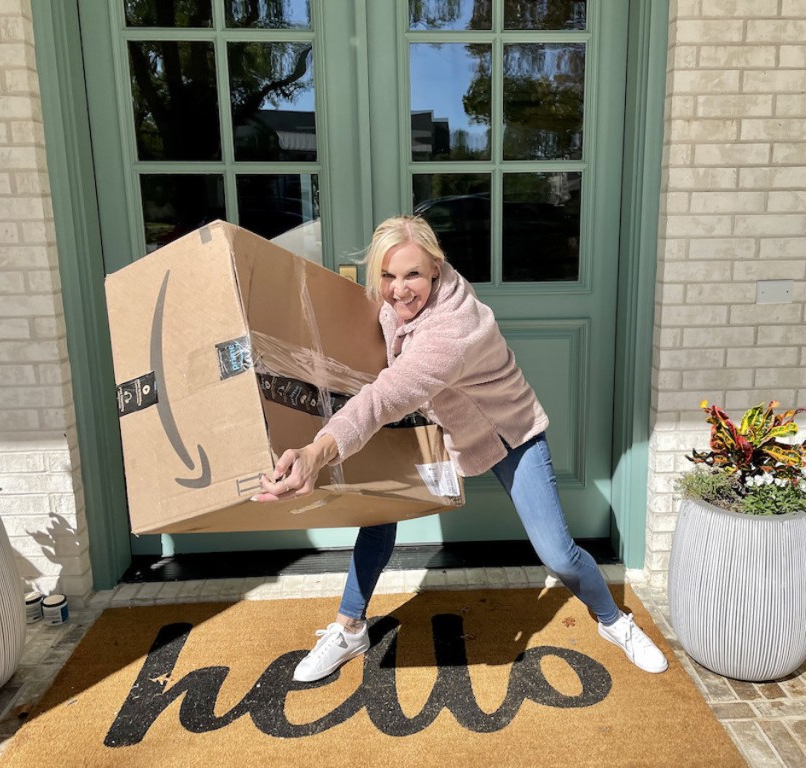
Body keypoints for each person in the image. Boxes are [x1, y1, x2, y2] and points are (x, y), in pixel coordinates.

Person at [255, 215, 668, 682]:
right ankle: (350, 628)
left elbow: (385, 395)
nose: (398, 289)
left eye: (412, 274)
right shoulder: (399, 301)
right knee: (377, 519)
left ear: (437, 267)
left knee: (557, 553)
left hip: (507, 431)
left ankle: (615, 621)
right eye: (388, 276)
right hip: (434, 421)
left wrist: (317, 451)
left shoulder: (453, 331)